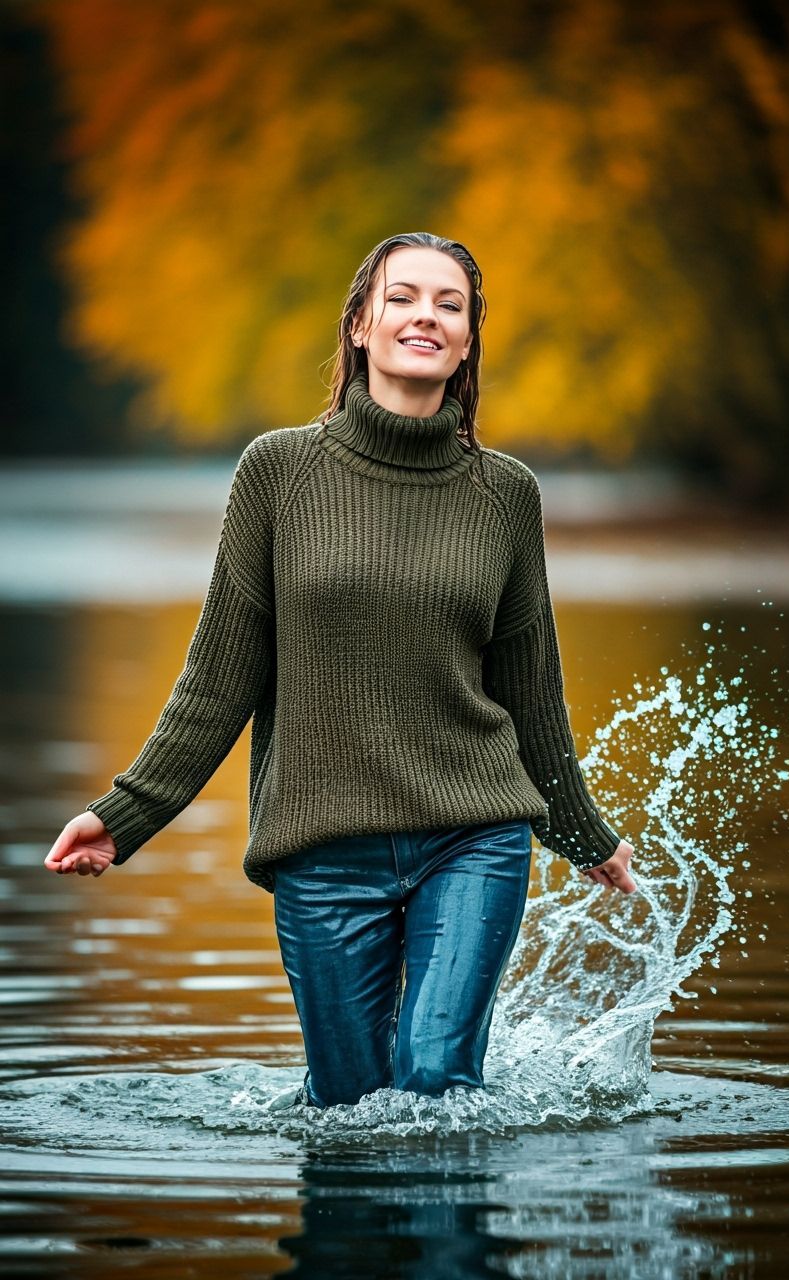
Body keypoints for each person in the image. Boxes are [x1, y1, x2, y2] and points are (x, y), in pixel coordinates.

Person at [44, 231, 636, 1108]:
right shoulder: (278, 472)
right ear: (360, 324)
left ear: (470, 339)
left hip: (473, 833)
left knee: (435, 1082)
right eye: (401, 298)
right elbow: (220, 675)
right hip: (323, 851)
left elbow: (530, 689)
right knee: (348, 1109)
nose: (424, 316)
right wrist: (125, 816)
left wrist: (584, 833)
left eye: (450, 304)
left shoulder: (506, 492)